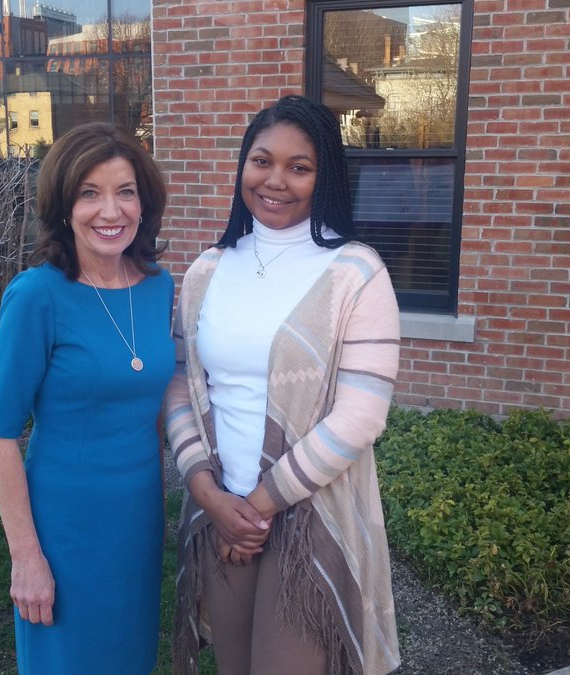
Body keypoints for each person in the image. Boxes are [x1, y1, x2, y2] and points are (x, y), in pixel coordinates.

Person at [166, 95, 402, 675]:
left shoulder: (356, 273)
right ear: (243, 165)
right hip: (222, 508)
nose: (275, 181)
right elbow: (180, 387)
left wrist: (255, 508)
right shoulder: (207, 270)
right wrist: (209, 495)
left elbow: (360, 418)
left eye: (299, 167)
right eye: (262, 161)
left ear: (325, 177)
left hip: (309, 518)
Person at [0, 122, 174, 674]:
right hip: (64, 530)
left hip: (136, 523)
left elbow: (152, 417)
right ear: (64, 207)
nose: (110, 211)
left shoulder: (158, 286)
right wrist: (26, 558)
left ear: (143, 202)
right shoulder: (37, 296)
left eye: (125, 191)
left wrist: (159, 513)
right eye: (90, 193)